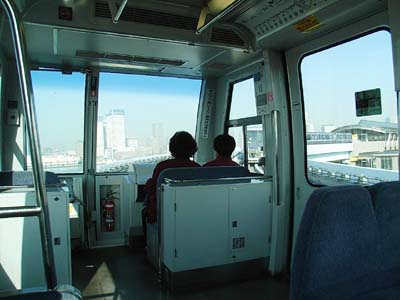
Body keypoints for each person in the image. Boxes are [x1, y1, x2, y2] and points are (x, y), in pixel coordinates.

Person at [143, 131, 200, 224]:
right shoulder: (197, 168)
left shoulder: (162, 167)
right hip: (190, 211)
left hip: (164, 212)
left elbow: (153, 189)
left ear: (172, 148)